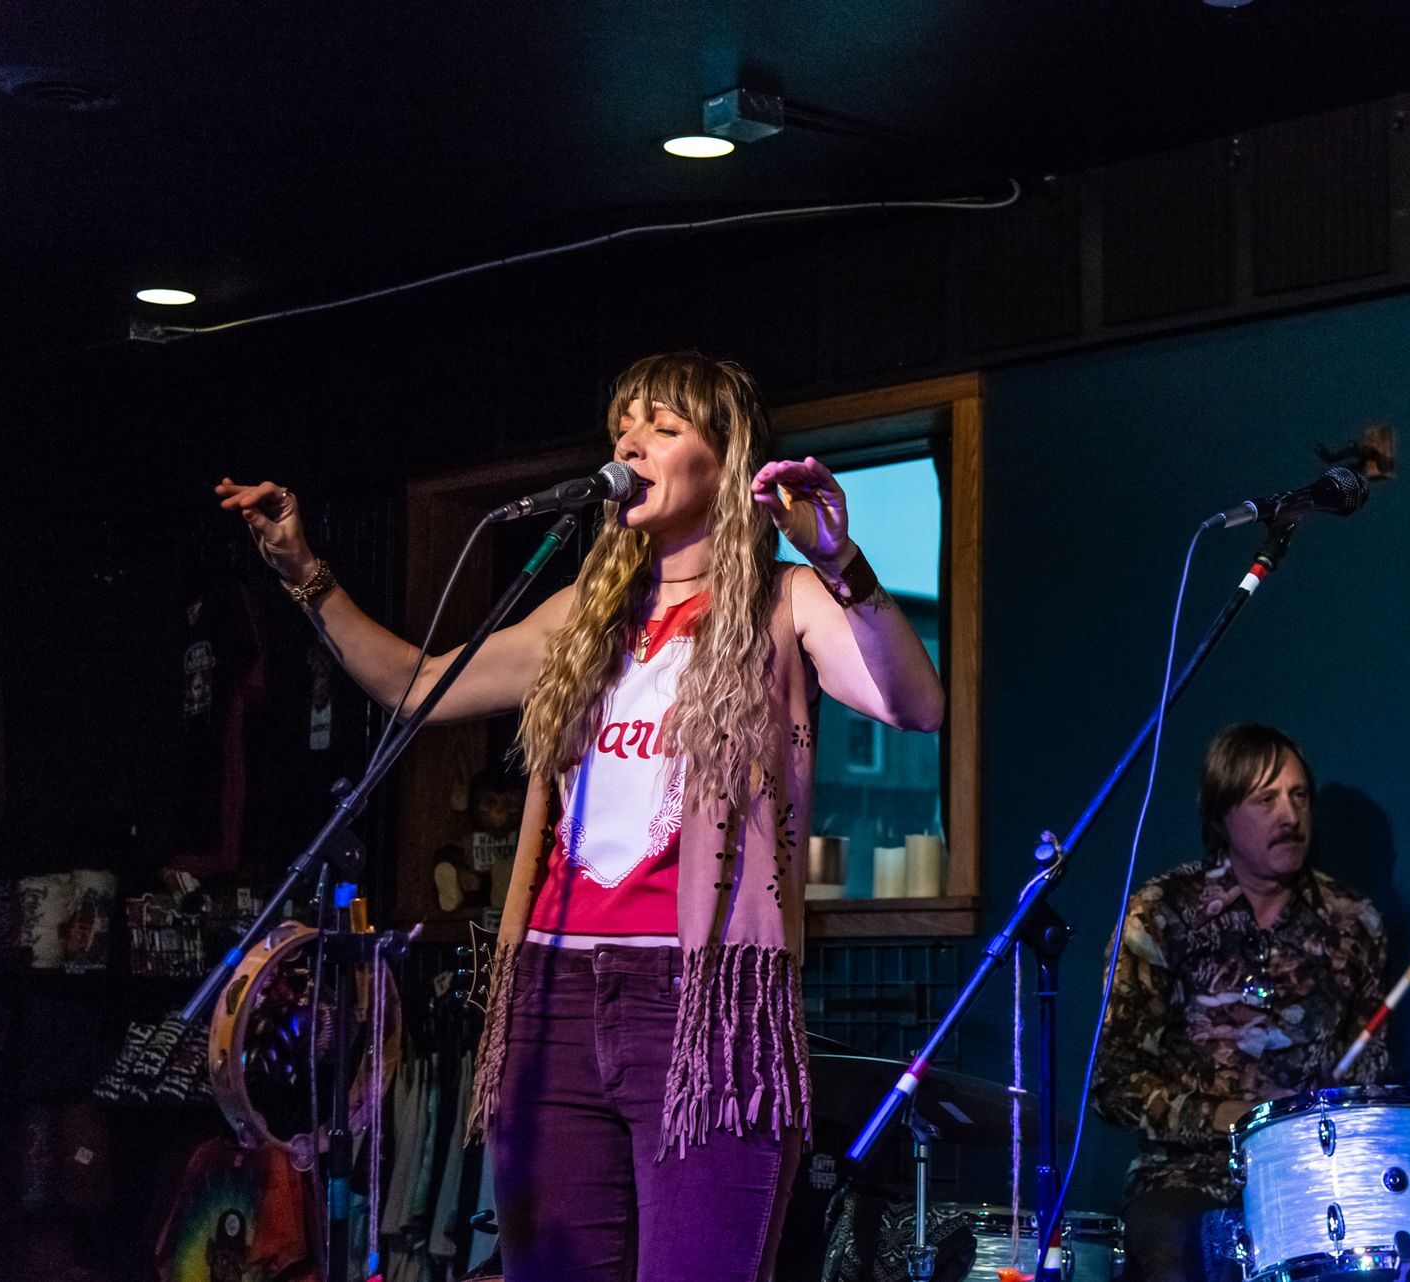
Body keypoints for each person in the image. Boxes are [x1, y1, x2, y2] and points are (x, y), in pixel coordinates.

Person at [216, 352, 945, 1282]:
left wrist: (840, 561)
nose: (630, 444)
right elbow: (412, 684)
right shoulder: (584, 619)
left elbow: (915, 706)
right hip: (552, 997)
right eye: (621, 431)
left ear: (725, 463)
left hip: (700, 1006)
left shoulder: (782, 601)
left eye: (662, 428)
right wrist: (305, 573)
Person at [1089, 723, 1388, 1282]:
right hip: (1185, 1177)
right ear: (1222, 813)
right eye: (1266, 799)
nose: (1289, 816)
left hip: (1313, 1174)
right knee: (1176, 1247)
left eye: (1299, 796)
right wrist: (1226, 1117)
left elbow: (1368, 1067)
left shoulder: (1354, 922)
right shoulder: (1159, 915)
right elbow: (1112, 1083)